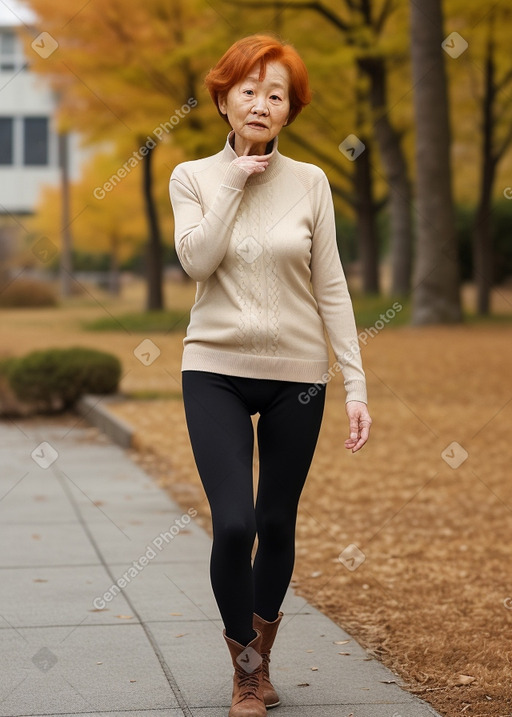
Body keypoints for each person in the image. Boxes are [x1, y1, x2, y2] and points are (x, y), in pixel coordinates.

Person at [169, 34, 372, 717]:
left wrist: (355, 382)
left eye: (276, 93)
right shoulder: (193, 176)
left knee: (275, 522)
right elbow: (198, 261)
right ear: (224, 99)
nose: (261, 102)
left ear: (290, 110)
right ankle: (246, 672)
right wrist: (234, 179)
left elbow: (333, 287)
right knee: (233, 524)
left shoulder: (312, 183)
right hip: (214, 369)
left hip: (298, 376)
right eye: (248, 90)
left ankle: (257, 667)